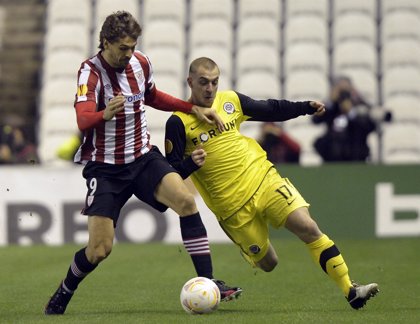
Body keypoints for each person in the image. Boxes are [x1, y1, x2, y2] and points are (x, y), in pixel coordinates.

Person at [44, 12, 241, 316]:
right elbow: (83, 119)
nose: (128, 54)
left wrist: (192, 108)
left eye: (132, 46)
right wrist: (104, 114)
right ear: (106, 42)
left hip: (142, 157)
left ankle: (208, 281)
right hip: (106, 167)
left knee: (187, 202)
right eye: (122, 48)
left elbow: (152, 96)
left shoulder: (141, 62)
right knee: (99, 250)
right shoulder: (90, 73)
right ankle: (65, 290)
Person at [165, 57, 379, 310]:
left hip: (263, 179)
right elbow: (173, 172)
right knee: (269, 263)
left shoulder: (230, 101)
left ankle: (350, 290)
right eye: (203, 83)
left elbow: (270, 108)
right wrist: (191, 164)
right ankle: (248, 248)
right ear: (190, 82)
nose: (210, 88)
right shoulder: (177, 122)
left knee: (308, 227)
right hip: (232, 208)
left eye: (214, 82)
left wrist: (304, 107)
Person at [312, 76, 376, 162]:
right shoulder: (332, 106)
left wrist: (351, 113)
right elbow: (315, 120)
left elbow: (370, 126)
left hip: (355, 148)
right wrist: (330, 103)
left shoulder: (360, 104)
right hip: (333, 150)